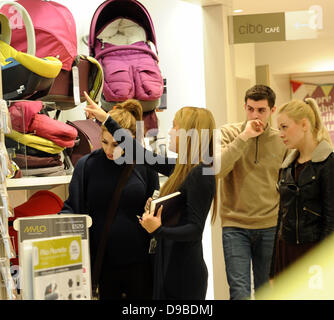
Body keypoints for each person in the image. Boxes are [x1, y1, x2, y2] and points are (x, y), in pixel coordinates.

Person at [84, 91, 218, 300]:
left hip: (185, 274)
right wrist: (106, 119)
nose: (171, 132)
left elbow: (194, 229)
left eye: (175, 126)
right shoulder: (183, 168)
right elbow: (142, 154)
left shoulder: (201, 172)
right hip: (172, 267)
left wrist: (159, 229)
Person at [61, 99, 159, 300]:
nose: (108, 150)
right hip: (101, 262)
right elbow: (73, 208)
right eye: (104, 142)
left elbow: (154, 206)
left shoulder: (144, 165)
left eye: (116, 144)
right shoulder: (87, 165)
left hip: (139, 262)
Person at [218, 85, 287, 300]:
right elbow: (217, 170)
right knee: (239, 292)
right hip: (234, 225)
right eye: (250, 109)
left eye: (261, 110)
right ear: (244, 107)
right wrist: (244, 138)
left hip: (270, 225)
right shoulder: (228, 133)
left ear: (272, 110)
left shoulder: (281, 139)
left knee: (267, 291)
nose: (254, 115)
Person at [270, 98, 334, 279]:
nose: (280, 133)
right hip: (286, 251)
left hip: (313, 252)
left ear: (304, 124)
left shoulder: (328, 163)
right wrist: (273, 270)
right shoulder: (287, 167)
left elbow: (332, 220)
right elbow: (280, 219)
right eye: (279, 128)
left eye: (284, 127)